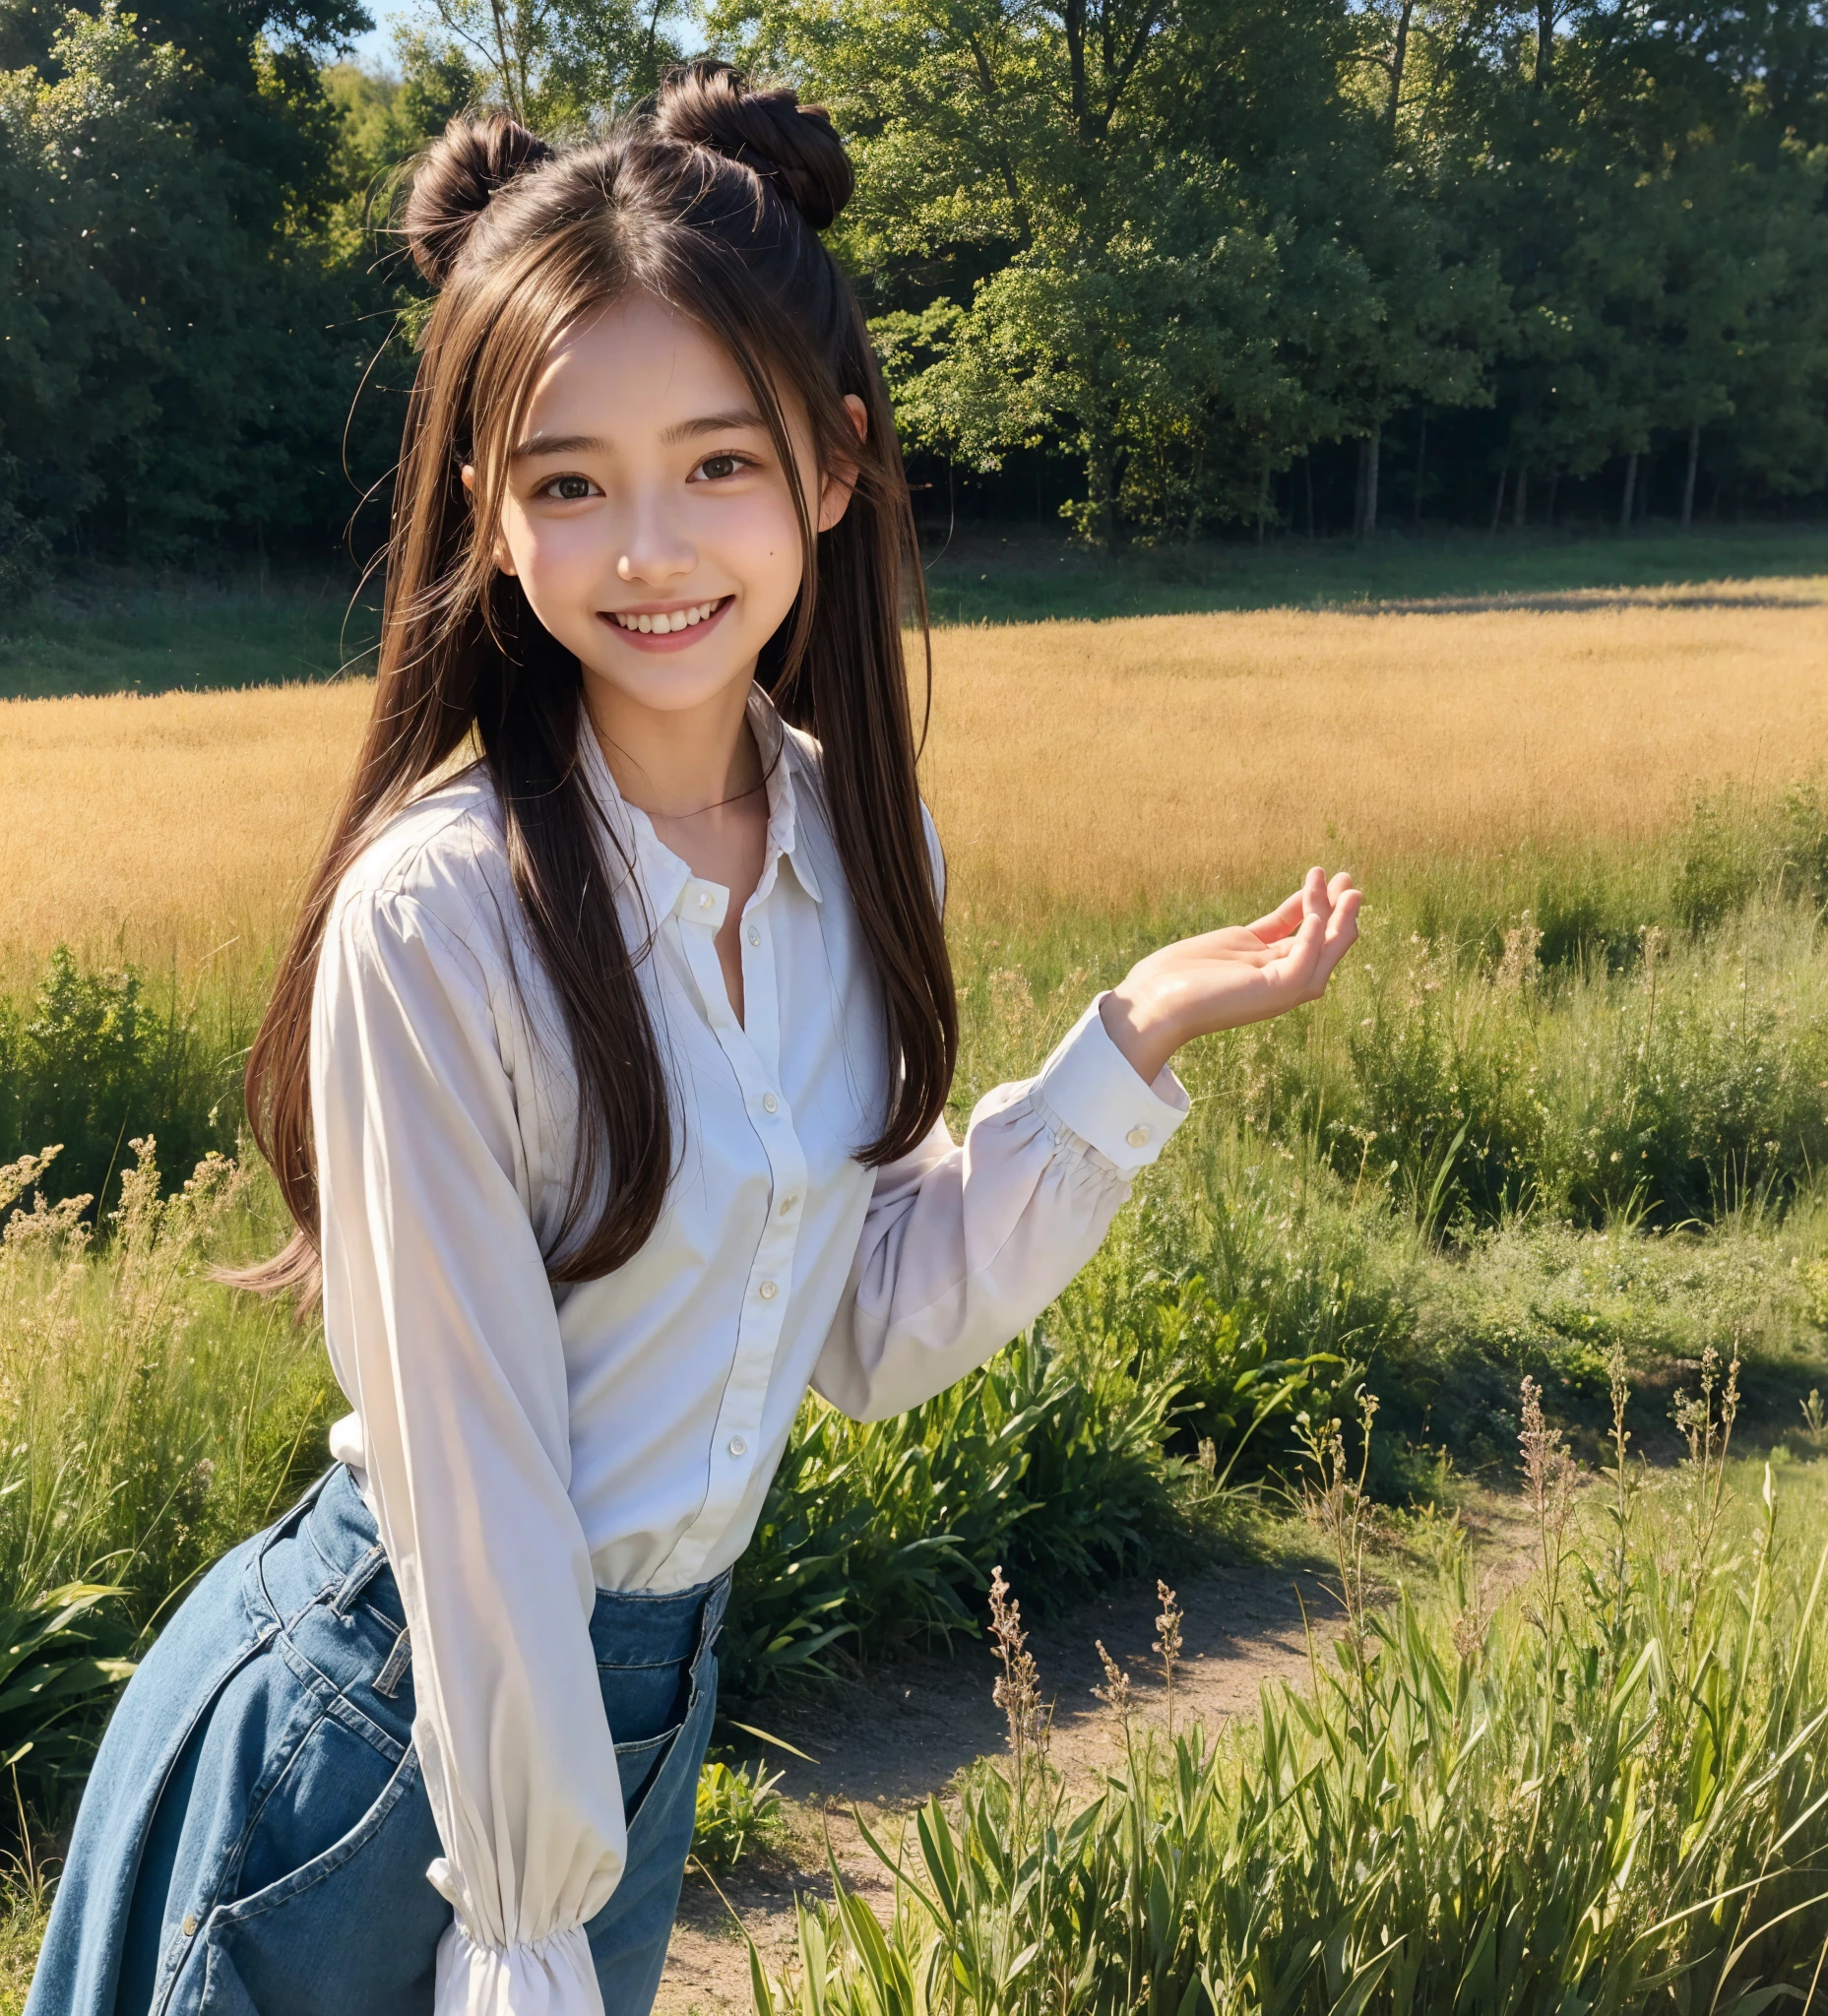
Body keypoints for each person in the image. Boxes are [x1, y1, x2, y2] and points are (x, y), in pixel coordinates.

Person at [27, 61, 1361, 2016]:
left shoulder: (856, 838)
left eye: (715, 464)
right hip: (386, 1735)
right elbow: (471, 1466)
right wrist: (526, 1890)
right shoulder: (441, 910)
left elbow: (861, 1318)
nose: (647, 546)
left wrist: (1132, 1039)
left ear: (828, 467)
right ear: (487, 514)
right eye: (568, 481)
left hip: (629, 1723)